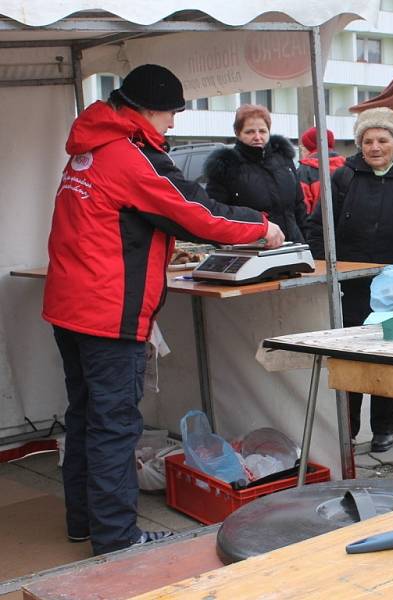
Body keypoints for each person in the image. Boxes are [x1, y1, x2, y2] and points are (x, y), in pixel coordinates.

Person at [42, 64, 284, 556]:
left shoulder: (91, 148)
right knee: (114, 428)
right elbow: (194, 210)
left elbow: (130, 219)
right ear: (148, 109)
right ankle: (117, 538)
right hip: (107, 311)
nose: (173, 124)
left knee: (86, 418)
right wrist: (262, 227)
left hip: (71, 305)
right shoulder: (127, 155)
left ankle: (83, 522)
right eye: (172, 113)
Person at [307, 107, 393, 452]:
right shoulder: (342, 179)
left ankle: (385, 428)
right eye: (368, 140)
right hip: (350, 288)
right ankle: (347, 429)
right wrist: (325, 272)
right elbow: (318, 227)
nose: (375, 147)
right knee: (350, 360)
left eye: (383, 140)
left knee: (390, 360)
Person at [204, 104, 307, 242]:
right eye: (250, 132)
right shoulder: (226, 166)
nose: (257, 137)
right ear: (237, 133)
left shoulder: (284, 160)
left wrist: (306, 242)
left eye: (263, 131)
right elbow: (217, 213)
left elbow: (299, 206)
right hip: (254, 250)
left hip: (293, 245)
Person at [297, 126, 347, 215]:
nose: (302, 153)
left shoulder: (304, 170)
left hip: (317, 226)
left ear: (310, 149)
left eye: (302, 149)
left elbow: (303, 207)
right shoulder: (347, 166)